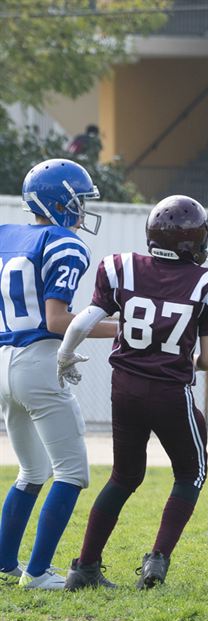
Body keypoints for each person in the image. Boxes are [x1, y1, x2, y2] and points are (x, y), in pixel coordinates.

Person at [59, 196, 208, 589]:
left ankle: (84, 567)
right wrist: (174, 359)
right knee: (191, 472)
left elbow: (86, 319)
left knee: (123, 476)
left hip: (123, 388)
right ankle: (157, 563)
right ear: (196, 240)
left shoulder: (120, 267)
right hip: (169, 391)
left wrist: (64, 355)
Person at [0, 158, 115, 590]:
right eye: (79, 199)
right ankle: (37, 573)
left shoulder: (7, 236)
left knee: (31, 471)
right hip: (38, 358)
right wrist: (124, 329)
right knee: (72, 472)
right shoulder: (63, 241)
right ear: (60, 200)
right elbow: (56, 320)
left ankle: (6, 563)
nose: (83, 209)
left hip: (5, 361)